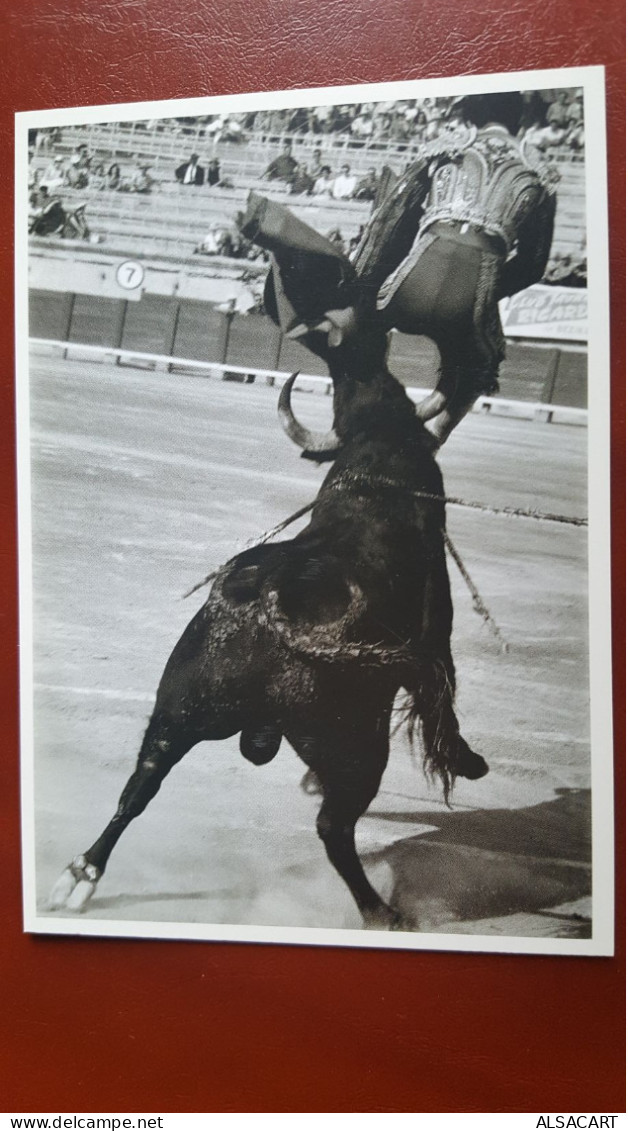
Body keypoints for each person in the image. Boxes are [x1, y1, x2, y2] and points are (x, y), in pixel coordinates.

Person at [240, 91, 557, 446]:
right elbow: (532, 266)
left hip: (412, 286)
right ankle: (433, 439)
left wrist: (357, 287)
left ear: (470, 119)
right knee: (483, 365)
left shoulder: (443, 149)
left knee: (356, 333)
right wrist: (485, 289)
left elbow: (389, 222)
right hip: (474, 300)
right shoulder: (541, 176)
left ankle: (348, 426)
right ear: (521, 122)